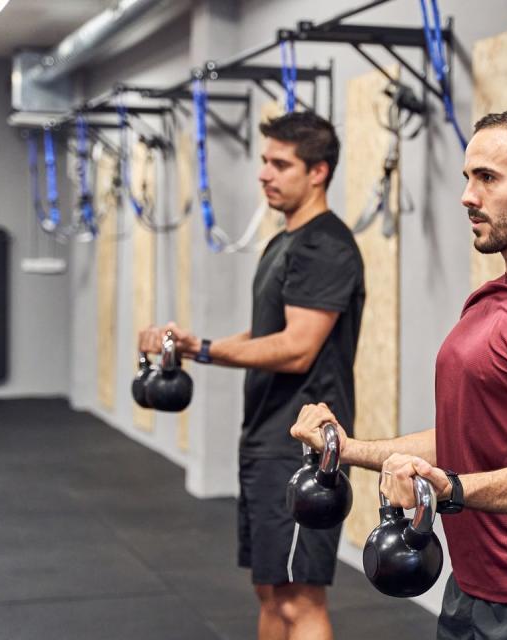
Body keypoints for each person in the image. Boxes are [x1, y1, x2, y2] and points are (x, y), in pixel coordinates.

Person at [291, 107, 507, 639]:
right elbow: (466, 437)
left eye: (488, 178)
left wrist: (446, 489)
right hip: (473, 586)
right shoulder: (493, 295)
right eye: (467, 178)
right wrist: (347, 448)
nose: (468, 196)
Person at [139, 111, 365, 640]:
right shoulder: (284, 241)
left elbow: (296, 349)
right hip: (267, 437)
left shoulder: (324, 246)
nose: (265, 173)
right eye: (264, 161)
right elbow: (268, 331)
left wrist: (212, 351)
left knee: (299, 598)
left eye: (280, 163)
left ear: (318, 172)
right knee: (270, 590)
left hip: (303, 448)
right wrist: (197, 347)